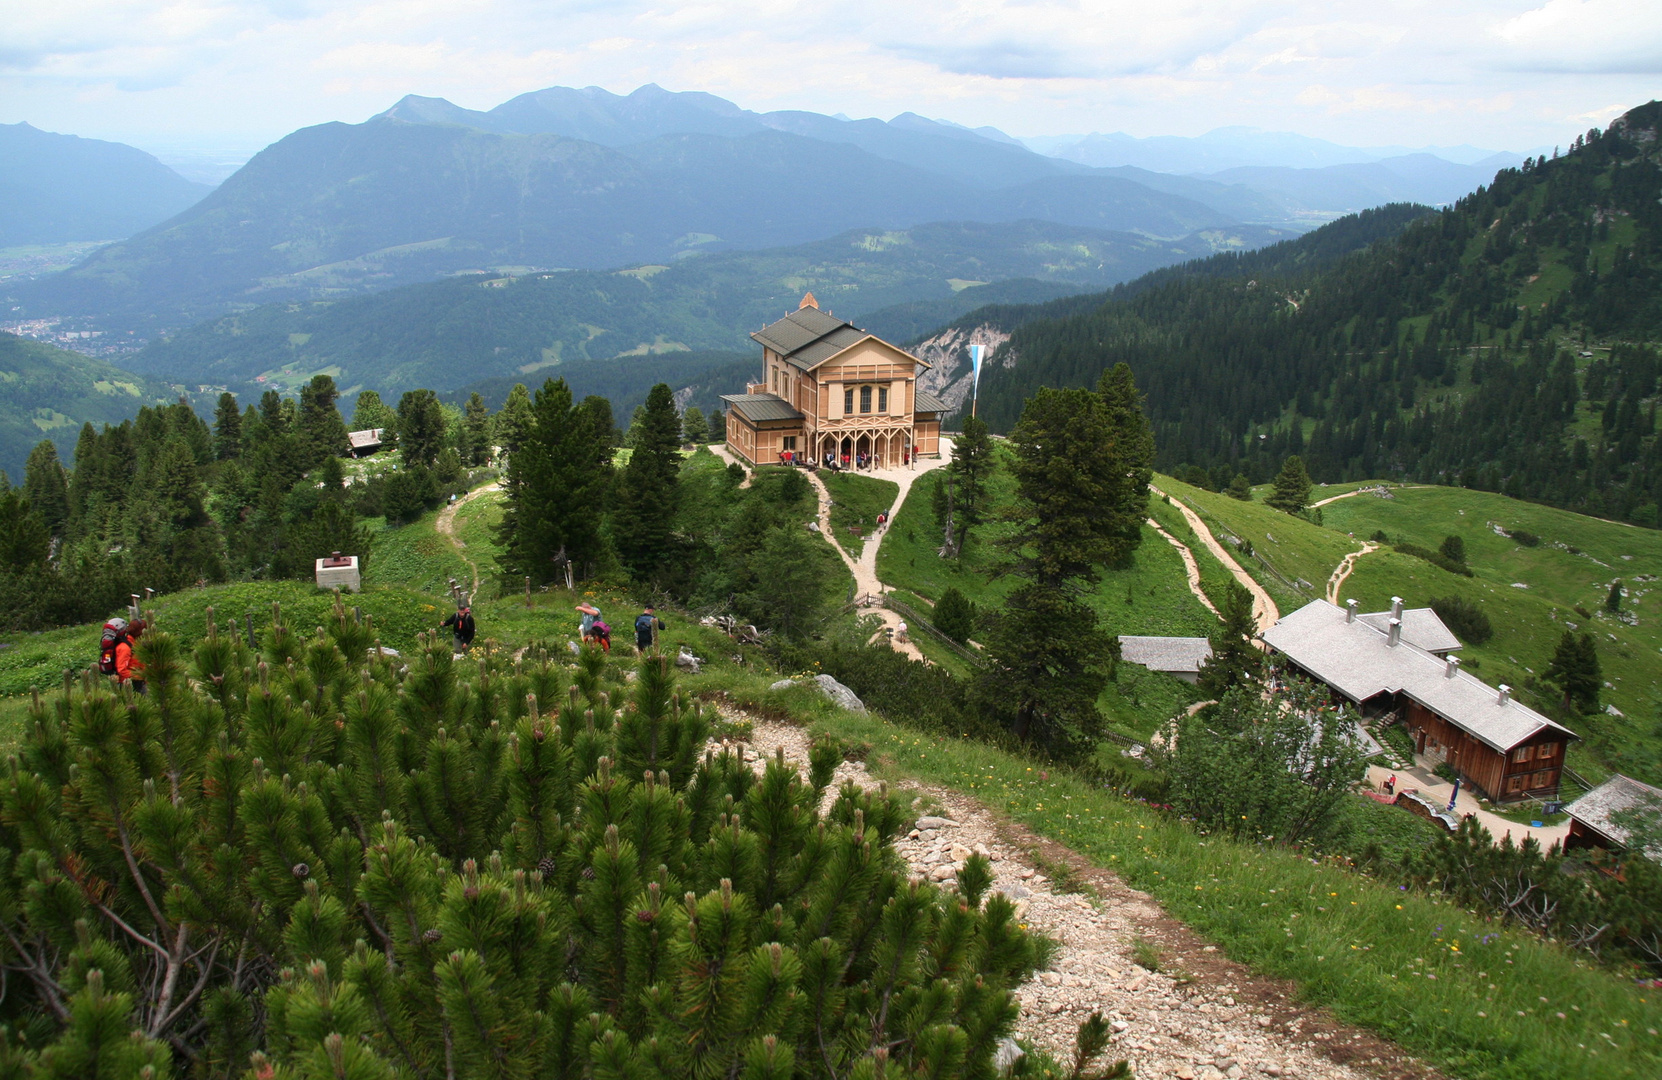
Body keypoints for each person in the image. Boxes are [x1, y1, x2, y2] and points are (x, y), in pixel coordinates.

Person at [115, 619, 147, 694]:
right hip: (128, 684)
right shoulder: (125, 647)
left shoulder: (135, 644)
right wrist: (139, 676)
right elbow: (122, 670)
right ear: (140, 632)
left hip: (138, 681)